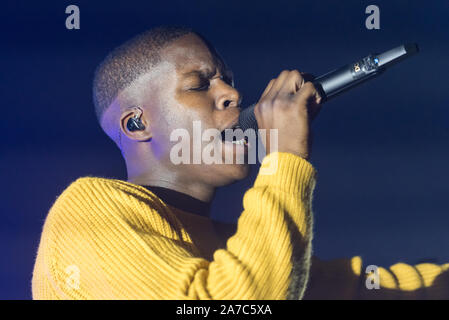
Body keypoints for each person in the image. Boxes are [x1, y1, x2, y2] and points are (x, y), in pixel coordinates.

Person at [32, 25, 448, 299]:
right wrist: (285, 159)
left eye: (228, 79)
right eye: (200, 84)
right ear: (138, 122)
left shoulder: (239, 245)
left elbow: (373, 289)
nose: (231, 93)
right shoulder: (86, 212)